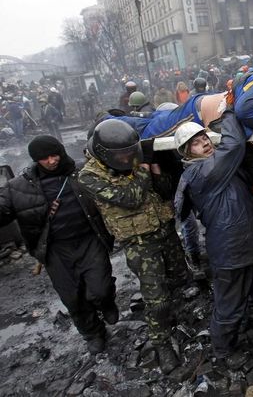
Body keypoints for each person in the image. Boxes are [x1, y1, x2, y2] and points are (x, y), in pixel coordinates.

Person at [174, 114, 253, 370]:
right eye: (196, 142)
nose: (204, 142)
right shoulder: (199, 173)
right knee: (230, 308)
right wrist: (228, 115)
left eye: (204, 136)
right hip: (230, 255)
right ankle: (224, 349)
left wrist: (247, 148)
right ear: (187, 152)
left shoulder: (222, 164)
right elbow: (233, 146)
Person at [78, 119, 188, 374]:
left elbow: (163, 189)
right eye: (124, 155)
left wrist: (156, 170)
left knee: (180, 277)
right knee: (156, 298)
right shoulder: (89, 175)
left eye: (132, 152)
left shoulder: (135, 157)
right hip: (140, 243)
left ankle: (177, 318)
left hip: (164, 227)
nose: (130, 158)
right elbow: (131, 197)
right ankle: (161, 343)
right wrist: (144, 167)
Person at [0, 136, 118, 354]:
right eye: (44, 158)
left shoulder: (81, 173)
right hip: (55, 249)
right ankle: (93, 333)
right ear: (36, 160)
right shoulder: (19, 188)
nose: (52, 161)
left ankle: (107, 302)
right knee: (72, 297)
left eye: (55, 155)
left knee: (99, 288)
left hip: (89, 240)